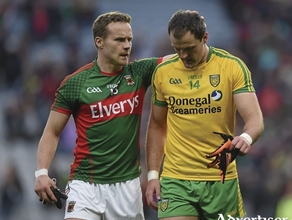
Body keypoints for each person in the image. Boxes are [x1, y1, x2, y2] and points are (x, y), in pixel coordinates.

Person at [34, 11, 173, 220]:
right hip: (85, 184)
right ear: (99, 42)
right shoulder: (75, 83)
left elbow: (181, 57)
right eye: (119, 40)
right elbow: (52, 132)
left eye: (129, 40)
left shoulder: (139, 72)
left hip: (127, 187)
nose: (127, 45)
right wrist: (41, 173)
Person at [145, 10, 264, 220]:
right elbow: (156, 125)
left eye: (189, 48)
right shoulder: (163, 72)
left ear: (205, 38)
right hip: (176, 179)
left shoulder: (232, 67)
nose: (183, 56)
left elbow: (255, 120)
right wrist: (153, 174)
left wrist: (246, 138)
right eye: (177, 49)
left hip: (220, 178)